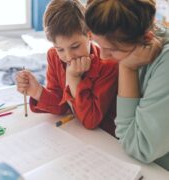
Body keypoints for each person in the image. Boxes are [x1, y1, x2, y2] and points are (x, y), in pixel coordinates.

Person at [85, 0, 169, 170]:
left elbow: (140, 147)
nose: (103, 56)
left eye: (112, 49)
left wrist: (127, 68)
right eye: (98, 45)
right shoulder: (134, 44)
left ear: (147, 38)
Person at [16, 0, 118, 135]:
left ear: (89, 35)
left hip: (105, 138)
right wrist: (37, 92)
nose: (69, 56)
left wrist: (73, 78)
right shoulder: (54, 56)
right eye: (60, 49)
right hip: (75, 133)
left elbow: (91, 121)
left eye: (75, 46)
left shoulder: (107, 66)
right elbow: (61, 105)